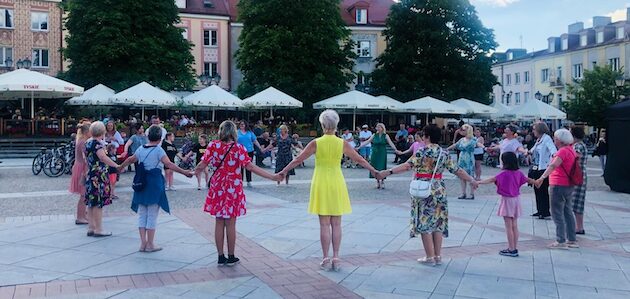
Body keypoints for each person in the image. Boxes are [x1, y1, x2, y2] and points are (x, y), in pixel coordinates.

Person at [278, 110, 378, 271]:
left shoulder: (316, 143)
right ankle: (336, 257)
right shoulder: (342, 143)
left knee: (324, 224)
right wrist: (374, 171)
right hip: (337, 181)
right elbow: (359, 159)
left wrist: (283, 171)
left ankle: (325, 257)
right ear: (336, 125)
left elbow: (298, 159)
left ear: (323, 125)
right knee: (337, 224)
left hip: (321, 182)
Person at [377, 125, 477, 266]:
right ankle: (437, 256)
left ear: (427, 136)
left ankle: (429, 257)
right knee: (438, 222)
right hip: (439, 188)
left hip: (424, 188)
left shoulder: (422, 152)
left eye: (424, 135)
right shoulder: (444, 153)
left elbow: (407, 166)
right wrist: (472, 180)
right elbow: (457, 170)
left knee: (425, 221)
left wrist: (388, 172)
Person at [195, 120, 282, 266]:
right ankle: (231, 255)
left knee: (219, 221)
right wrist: (272, 177)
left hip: (217, 188)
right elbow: (251, 167)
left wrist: (190, 172)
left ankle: (220, 256)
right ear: (234, 132)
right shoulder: (239, 148)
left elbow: (202, 164)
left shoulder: (213, 146)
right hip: (233, 189)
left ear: (221, 131)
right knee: (231, 223)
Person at [119, 126, 193, 252]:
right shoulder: (159, 150)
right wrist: (184, 172)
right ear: (160, 139)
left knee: (142, 214)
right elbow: (168, 164)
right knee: (152, 214)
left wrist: (120, 167)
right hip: (154, 183)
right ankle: (151, 244)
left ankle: (143, 243)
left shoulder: (141, 148)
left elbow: (131, 159)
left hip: (141, 183)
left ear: (148, 137)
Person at [477, 152, 536, 257]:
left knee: (508, 226)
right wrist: (537, 182)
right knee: (514, 225)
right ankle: (515, 247)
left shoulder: (503, 174)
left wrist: (478, 182)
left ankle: (511, 248)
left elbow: (491, 180)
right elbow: (527, 180)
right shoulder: (518, 173)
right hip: (516, 199)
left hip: (507, 200)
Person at [534, 129, 579, 249]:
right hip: (569, 184)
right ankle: (572, 239)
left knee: (557, 212)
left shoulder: (562, 152)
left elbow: (553, 165)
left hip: (558, 184)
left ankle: (560, 240)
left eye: (555, 138)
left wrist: (542, 177)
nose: (554, 140)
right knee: (568, 211)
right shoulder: (571, 150)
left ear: (559, 140)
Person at [84, 121, 121, 237]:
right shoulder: (98, 145)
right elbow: (103, 157)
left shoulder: (88, 143)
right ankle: (99, 229)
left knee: (91, 203)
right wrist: (116, 165)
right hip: (99, 176)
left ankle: (91, 227)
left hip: (91, 174)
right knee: (98, 204)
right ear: (103, 131)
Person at [528, 122, 556, 219]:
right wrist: (527, 152)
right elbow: (533, 150)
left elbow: (553, 151)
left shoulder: (546, 138)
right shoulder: (539, 139)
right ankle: (539, 210)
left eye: (534, 129)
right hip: (536, 167)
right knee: (537, 189)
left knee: (543, 190)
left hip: (543, 168)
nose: (533, 131)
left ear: (539, 130)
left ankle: (545, 211)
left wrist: (551, 161)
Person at [358, 123, 398, 189]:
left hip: (382, 153)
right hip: (375, 153)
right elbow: (367, 141)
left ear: (382, 128)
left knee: (382, 166)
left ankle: (382, 181)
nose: (378, 128)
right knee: (375, 167)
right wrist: (359, 147)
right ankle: (377, 182)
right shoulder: (374, 135)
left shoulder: (385, 135)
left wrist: (395, 149)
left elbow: (391, 143)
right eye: (377, 127)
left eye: (379, 127)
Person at [447, 124, 478, 199]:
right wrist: (447, 149)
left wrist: (485, 147)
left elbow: (478, 144)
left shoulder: (473, 139)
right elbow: (455, 145)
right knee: (462, 176)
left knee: (470, 175)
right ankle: (463, 192)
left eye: (463, 130)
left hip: (469, 158)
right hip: (462, 158)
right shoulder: (461, 140)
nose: (461, 131)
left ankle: (471, 193)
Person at [69, 121, 91, 225]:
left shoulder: (80, 140)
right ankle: (80, 217)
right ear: (87, 132)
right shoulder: (83, 142)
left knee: (84, 194)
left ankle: (83, 215)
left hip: (78, 166)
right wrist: (86, 171)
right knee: (83, 194)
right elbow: (85, 158)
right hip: (82, 168)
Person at [571, 127, 588, 235]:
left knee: (577, 202)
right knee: (577, 202)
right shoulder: (581, 145)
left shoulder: (578, 146)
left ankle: (579, 227)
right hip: (580, 175)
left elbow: (575, 157)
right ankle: (578, 227)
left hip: (577, 176)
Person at [237, 121, 265, 187]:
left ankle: (249, 181)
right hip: (239, 151)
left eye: (243, 124)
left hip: (249, 151)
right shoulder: (237, 132)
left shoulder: (250, 133)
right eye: (240, 124)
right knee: (240, 167)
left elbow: (255, 140)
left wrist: (260, 148)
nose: (241, 125)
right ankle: (240, 181)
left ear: (246, 125)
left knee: (249, 166)